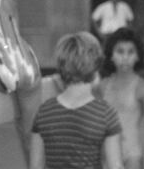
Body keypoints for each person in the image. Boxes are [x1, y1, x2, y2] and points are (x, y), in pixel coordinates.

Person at [29, 31, 123, 169]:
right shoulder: (105, 113)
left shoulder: (44, 112)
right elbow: (115, 166)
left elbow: (35, 167)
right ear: (96, 66)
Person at [0, 0, 42, 165]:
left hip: (2, 68)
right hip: (27, 66)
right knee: (32, 132)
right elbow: (13, 33)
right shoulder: (6, 0)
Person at [99, 27, 144, 169]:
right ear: (111, 55)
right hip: (106, 153)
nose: (125, 57)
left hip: (133, 154)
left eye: (130, 52)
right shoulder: (102, 86)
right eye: (120, 51)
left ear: (138, 56)